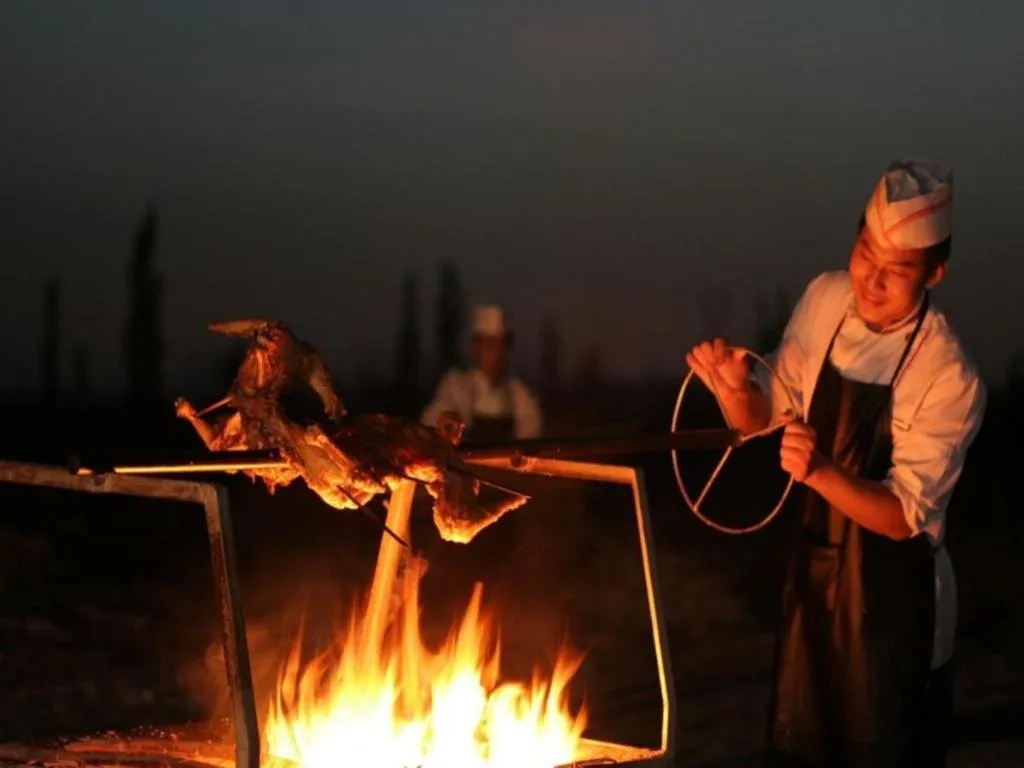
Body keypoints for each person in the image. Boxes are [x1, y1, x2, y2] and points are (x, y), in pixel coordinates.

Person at [686, 158, 986, 766]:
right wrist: (735, 391)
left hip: (896, 609)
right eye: (864, 254)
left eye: (895, 271)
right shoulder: (827, 299)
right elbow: (765, 414)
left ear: (935, 273)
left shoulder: (948, 373)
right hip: (818, 582)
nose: (869, 281)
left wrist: (822, 470)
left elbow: (905, 516)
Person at [421, 304, 543, 441]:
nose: (495, 352)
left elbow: (531, 434)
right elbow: (431, 421)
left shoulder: (518, 393)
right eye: (489, 344)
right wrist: (445, 420)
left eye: (501, 344)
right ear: (476, 347)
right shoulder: (456, 385)